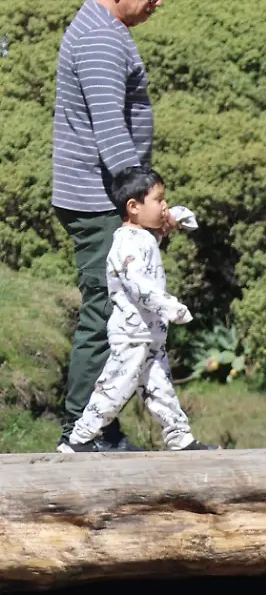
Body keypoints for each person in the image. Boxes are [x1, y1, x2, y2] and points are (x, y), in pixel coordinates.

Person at [52, 0, 174, 451]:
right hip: (101, 202)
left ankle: (97, 427)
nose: (159, 1)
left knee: (116, 311)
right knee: (107, 314)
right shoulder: (102, 39)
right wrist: (143, 203)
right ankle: (84, 430)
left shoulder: (106, 29)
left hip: (107, 199)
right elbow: (111, 134)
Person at [58, 166, 218, 453]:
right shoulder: (125, 243)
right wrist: (171, 307)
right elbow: (139, 285)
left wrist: (175, 216)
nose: (164, 205)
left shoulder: (144, 236)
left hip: (151, 337)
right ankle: (79, 438)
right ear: (133, 207)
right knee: (115, 388)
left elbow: (172, 224)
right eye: (158, 200)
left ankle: (180, 438)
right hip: (132, 335)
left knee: (161, 391)